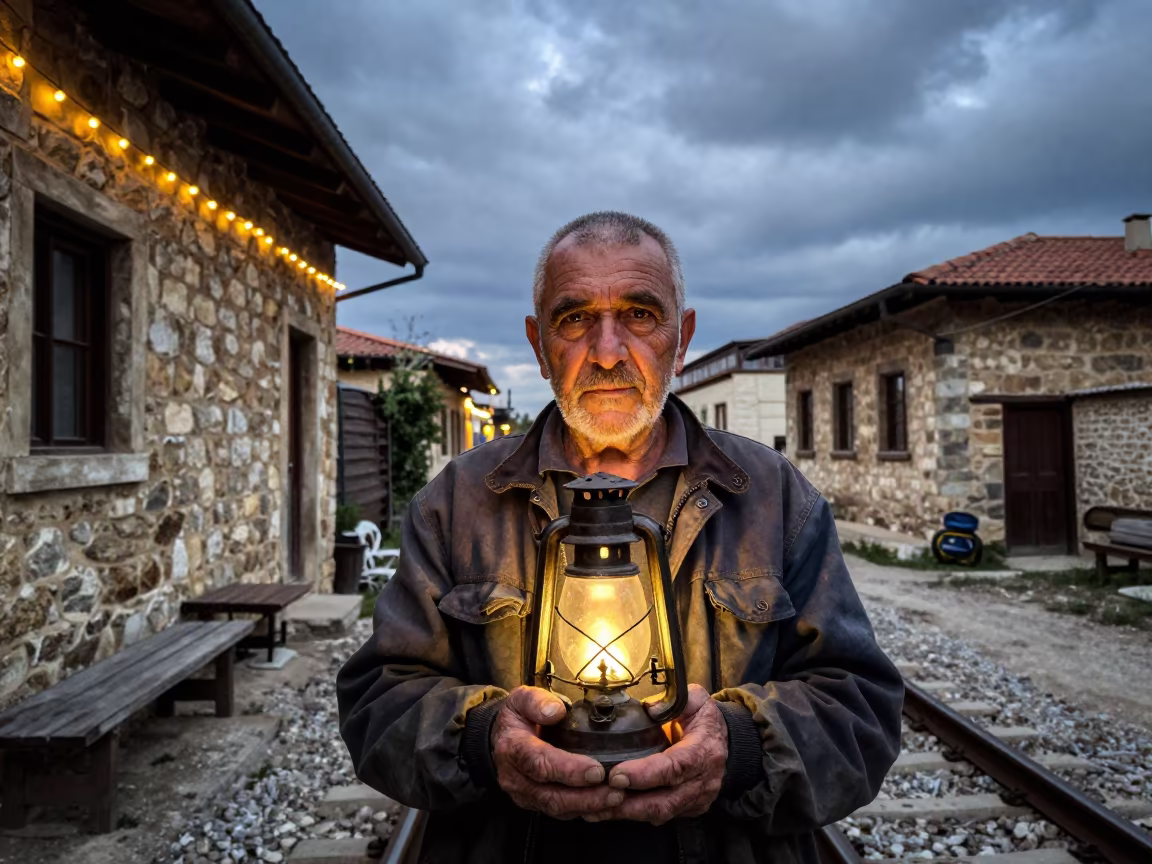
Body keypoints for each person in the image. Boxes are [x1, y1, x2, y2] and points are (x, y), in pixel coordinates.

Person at [337, 211, 903, 863]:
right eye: (575, 319)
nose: (607, 353)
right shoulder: (458, 503)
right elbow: (377, 700)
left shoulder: (773, 498)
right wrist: (482, 740)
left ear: (682, 337)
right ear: (539, 343)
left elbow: (862, 707)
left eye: (639, 314)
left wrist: (742, 747)